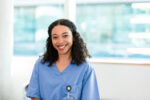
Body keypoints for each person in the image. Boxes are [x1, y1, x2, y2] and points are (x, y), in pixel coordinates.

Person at [26, 19, 100, 100]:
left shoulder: (85, 68)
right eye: (55, 37)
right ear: (51, 40)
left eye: (65, 36)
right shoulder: (41, 64)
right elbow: (35, 96)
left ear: (73, 37)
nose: (60, 41)